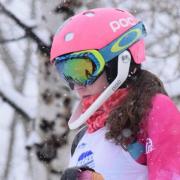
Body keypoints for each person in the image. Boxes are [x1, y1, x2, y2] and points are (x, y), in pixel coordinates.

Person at [50, 7, 180, 180]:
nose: (76, 86)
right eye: (67, 74)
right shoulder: (82, 138)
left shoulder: (153, 111)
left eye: (83, 71)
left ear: (118, 62)